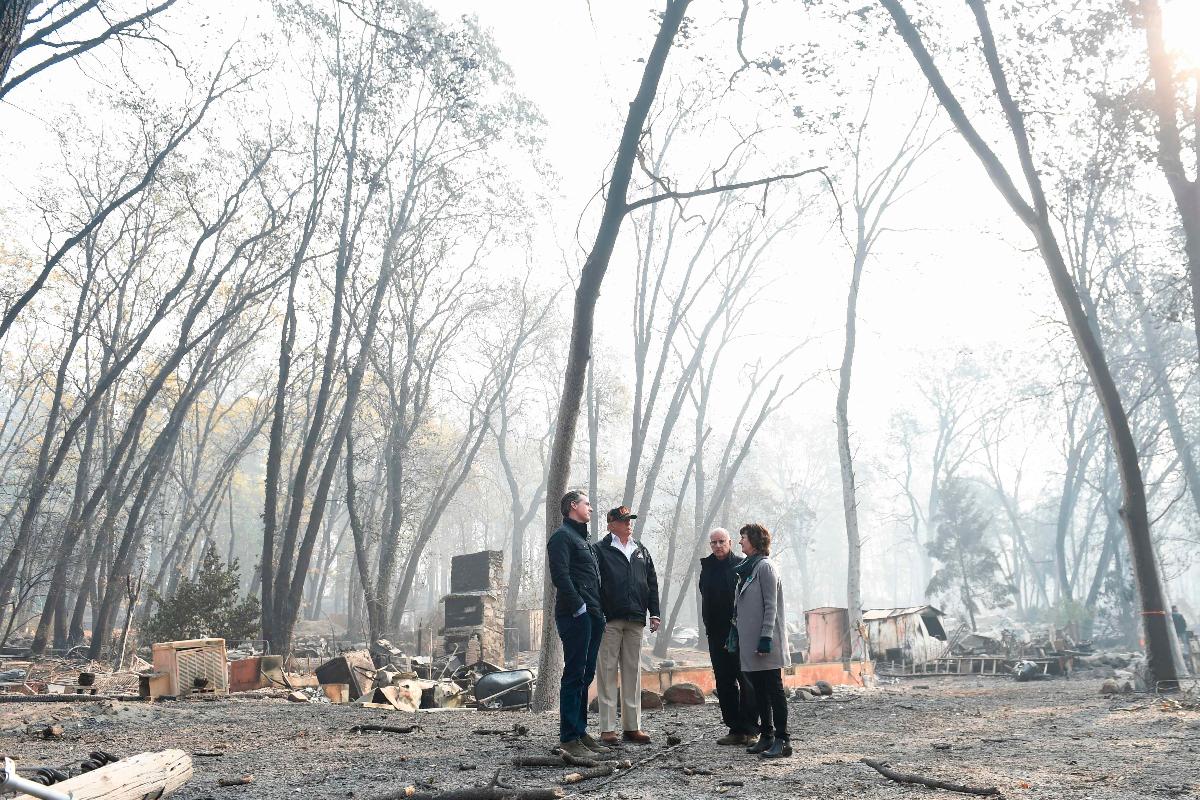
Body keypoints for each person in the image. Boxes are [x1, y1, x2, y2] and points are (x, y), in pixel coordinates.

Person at [546, 490, 610, 758]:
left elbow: (594, 580)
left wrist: (598, 612)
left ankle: (581, 732)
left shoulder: (584, 540)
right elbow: (560, 576)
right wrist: (579, 608)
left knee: (585, 675)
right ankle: (569, 737)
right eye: (587, 503)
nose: (591, 508)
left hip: (593, 615)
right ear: (573, 506)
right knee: (573, 674)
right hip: (575, 615)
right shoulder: (561, 537)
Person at [594, 505, 660, 744]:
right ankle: (607, 728)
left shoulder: (641, 549)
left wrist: (655, 613)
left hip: (635, 618)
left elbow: (651, 583)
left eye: (629, 519)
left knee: (633, 673)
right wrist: (598, 613)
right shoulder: (599, 550)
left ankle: (632, 727)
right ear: (611, 525)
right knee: (607, 672)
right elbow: (594, 585)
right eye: (623, 520)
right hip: (609, 619)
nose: (628, 524)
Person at [733, 522, 791, 759]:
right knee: (759, 692)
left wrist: (766, 637)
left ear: (755, 540)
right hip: (751, 645)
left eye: (743, 537)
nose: (740, 542)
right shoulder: (748, 569)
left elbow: (771, 605)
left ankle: (783, 740)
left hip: (766, 643)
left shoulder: (765, 567)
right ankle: (766, 736)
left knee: (774, 691)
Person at [698, 527, 758, 746]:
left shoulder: (742, 565)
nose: (717, 546)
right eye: (713, 542)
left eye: (721, 541)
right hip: (716, 633)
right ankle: (734, 728)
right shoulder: (707, 568)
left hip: (740, 632)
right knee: (724, 682)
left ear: (730, 542)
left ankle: (750, 728)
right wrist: (708, 628)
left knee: (747, 680)